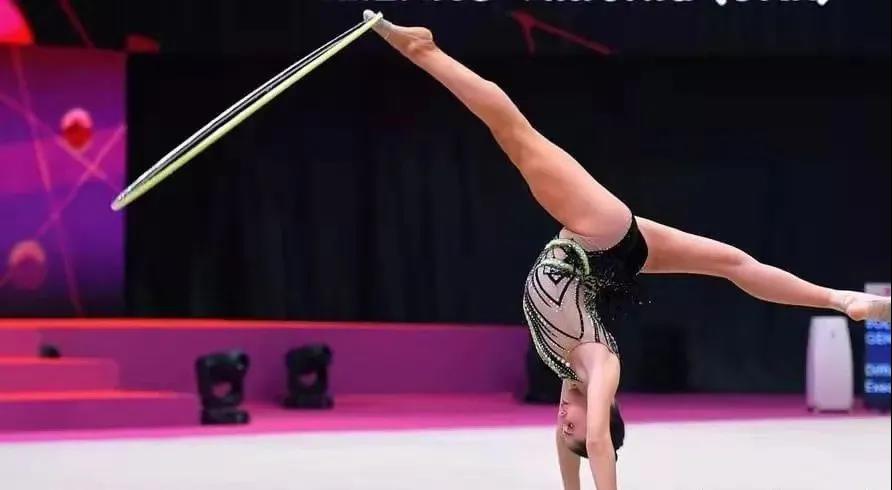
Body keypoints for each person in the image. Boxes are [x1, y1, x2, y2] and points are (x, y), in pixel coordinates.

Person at [362, 11, 891, 490]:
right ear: (604, 413)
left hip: (612, 253)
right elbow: (596, 442)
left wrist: (572, 482)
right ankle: (424, 49)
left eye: (563, 430)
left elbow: (574, 448)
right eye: (573, 427)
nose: (563, 424)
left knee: (733, 264)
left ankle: (842, 300)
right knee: (515, 133)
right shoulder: (600, 366)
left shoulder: (566, 371)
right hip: (597, 234)